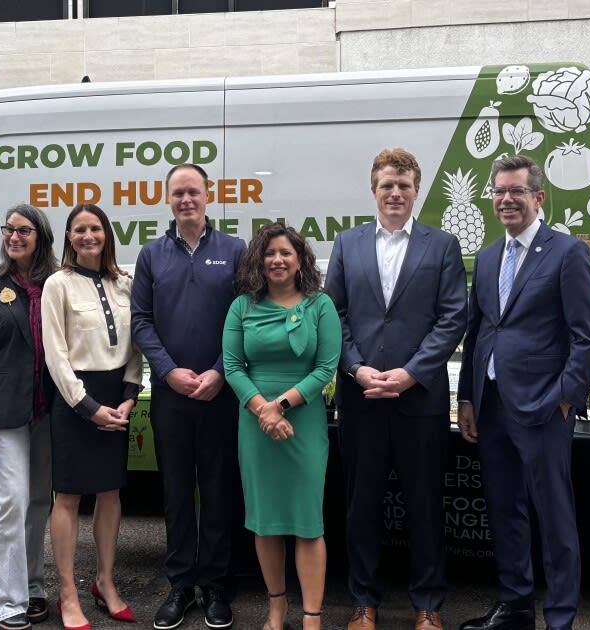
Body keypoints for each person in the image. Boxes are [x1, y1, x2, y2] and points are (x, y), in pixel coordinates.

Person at [456, 155, 590, 630]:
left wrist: (565, 397)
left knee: (554, 517)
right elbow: (476, 334)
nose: (505, 200)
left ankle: (560, 618)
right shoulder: (485, 257)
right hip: (493, 405)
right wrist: (466, 399)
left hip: (543, 407)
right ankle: (516, 605)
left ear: (538, 198)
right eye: (499, 191)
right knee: (504, 509)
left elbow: (588, 335)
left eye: (516, 191)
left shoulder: (566, 253)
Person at [324, 148, 467, 630]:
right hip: (361, 398)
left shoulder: (441, 245)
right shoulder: (348, 243)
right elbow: (334, 315)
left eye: (404, 185)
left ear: (416, 190)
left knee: (425, 505)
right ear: (373, 190)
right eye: (387, 185)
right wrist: (357, 369)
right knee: (360, 505)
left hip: (418, 399)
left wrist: (411, 373)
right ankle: (364, 602)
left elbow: (452, 319)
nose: (395, 193)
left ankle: (427, 605)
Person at [131, 163, 246, 630]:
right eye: (177, 193)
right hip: (171, 395)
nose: (186, 200)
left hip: (221, 393)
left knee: (219, 489)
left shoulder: (235, 250)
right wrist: (168, 370)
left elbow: (246, 317)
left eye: (193, 192)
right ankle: (180, 584)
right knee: (177, 490)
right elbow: (141, 320)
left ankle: (217, 584)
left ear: (208, 194)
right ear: (168, 199)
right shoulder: (151, 254)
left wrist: (221, 370)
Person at [222, 222, 340, 630]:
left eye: (286, 253)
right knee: (266, 520)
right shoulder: (242, 307)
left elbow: (326, 367)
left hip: (303, 420)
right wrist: (263, 411)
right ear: (259, 260)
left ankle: (312, 615)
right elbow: (233, 367)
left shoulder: (320, 305)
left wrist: (282, 406)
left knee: (308, 522)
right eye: (270, 253)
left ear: (299, 259)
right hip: (255, 424)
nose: (277, 260)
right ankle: (276, 608)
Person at [42, 203, 144, 630]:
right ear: (69, 237)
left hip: (115, 398)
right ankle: (68, 592)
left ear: (107, 235)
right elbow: (56, 354)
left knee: (110, 493)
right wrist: (87, 407)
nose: (89, 236)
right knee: (68, 497)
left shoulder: (125, 283)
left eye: (96, 229)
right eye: (80, 229)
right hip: (74, 401)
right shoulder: (57, 285)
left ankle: (104, 582)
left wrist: (128, 397)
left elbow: (136, 344)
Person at [0, 204, 59, 630]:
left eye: (24, 230)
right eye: (9, 229)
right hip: (6, 415)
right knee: (12, 501)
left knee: (41, 501)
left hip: (52, 411)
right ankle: (4, 602)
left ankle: (33, 586)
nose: (14, 237)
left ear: (41, 237)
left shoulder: (59, 283)